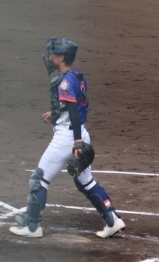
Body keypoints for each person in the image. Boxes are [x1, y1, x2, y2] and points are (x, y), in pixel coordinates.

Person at [9, 38, 126, 239]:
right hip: (79, 132)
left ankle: (32, 227)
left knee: (39, 180)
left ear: (61, 57)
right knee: (85, 182)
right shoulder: (77, 76)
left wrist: (77, 142)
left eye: (53, 54)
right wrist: (55, 114)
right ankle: (113, 219)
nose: (50, 58)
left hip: (68, 137)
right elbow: (75, 105)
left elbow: (73, 110)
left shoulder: (64, 81)